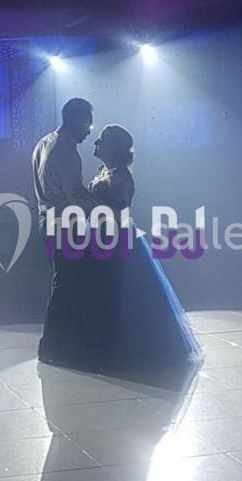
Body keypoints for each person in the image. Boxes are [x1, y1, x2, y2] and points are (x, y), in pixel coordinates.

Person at [82, 124, 200, 374]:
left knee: (122, 293)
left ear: (113, 147)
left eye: (101, 140)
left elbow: (118, 210)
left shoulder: (121, 175)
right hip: (99, 235)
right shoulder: (104, 171)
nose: (95, 144)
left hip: (116, 238)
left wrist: (91, 203)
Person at [33, 98, 96, 367]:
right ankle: (54, 347)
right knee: (66, 285)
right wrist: (103, 204)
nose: (89, 131)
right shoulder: (66, 151)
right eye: (88, 124)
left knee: (64, 283)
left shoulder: (44, 142)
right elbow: (76, 194)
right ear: (76, 120)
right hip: (65, 224)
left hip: (47, 221)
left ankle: (56, 345)